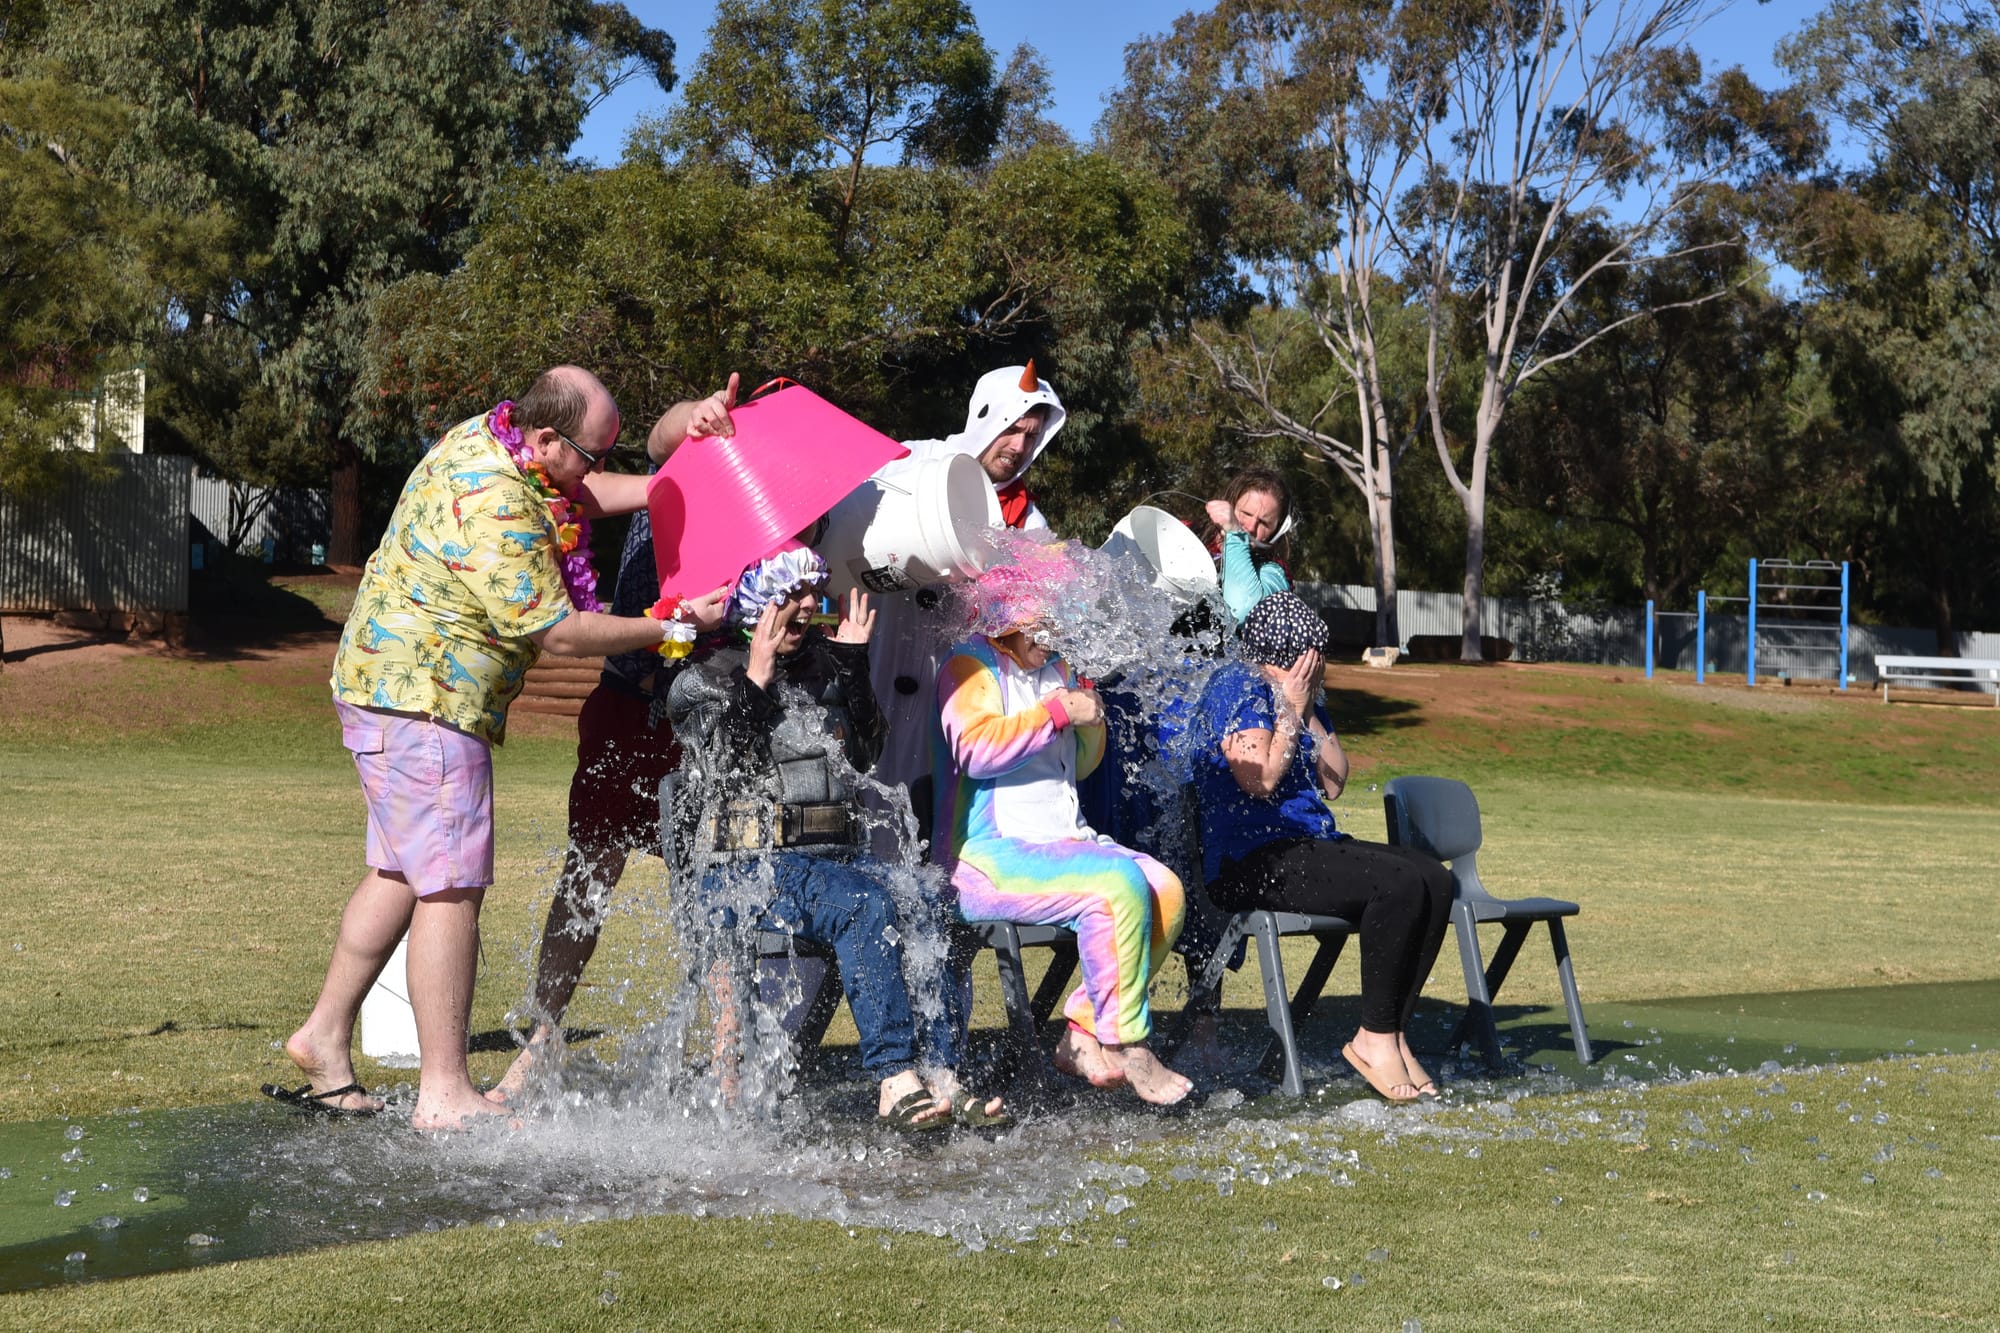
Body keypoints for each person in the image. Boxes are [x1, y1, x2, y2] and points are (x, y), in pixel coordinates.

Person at [275, 366, 735, 1130]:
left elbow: (578, 491)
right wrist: (671, 624)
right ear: (548, 437)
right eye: (592, 452)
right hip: (430, 703)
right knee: (450, 887)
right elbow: (557, 633)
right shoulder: (500, 504)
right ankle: (447, 1092)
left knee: (398, 869)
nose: (595, 466)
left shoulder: (492, 438)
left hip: (383, 688)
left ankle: (323, 1035)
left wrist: (661, 487)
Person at [668, 544, 1004, 1129]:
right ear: (752, 602)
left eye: (808, 594)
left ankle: (942, 1074)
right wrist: (756, 678)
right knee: (863, 905)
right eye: (788, 595)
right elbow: (724, 769)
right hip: (746, 868)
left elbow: (868, 756)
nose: (805, 607)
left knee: (932, 900)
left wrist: (852, 668)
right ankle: (894, 1077)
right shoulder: (701, 681)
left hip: (831, 862)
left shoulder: (828, 662)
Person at [489, 392, 743, 1104]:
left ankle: (726, 1062)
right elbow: (664, 437)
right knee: (587, 871)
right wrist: (693, 415)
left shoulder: (762, 519)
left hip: (707, 719)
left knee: (714, 882)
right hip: (626, 699)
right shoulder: (671, 471)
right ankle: (541, 1040)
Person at [932, 555, 1193, 1105]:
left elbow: (1082, 764)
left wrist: (1090, 721)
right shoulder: (968, 665)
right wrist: (1057, 712)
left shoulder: (1061, 670)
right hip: (986, 858)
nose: (1054, 637)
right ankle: (1130, 1044)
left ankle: (1082, 1030)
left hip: (1065, 844)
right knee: (1116, 884)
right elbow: (975, 750)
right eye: (1046, 624)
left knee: (1165, 891)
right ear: (1012, 613)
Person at [1189, 591, 1453, 1102]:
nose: (1320, 663)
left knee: (1435, 878)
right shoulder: (1236, 687)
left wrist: (1306, 709)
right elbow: (1259, 781)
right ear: (1288, 651)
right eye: (1312, 653)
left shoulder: (1301, 694)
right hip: (1248, 860)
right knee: (1395, 884)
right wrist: (1289, 708)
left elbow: (1334, 782)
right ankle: (1371, 1037)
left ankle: (1393, 1034)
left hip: (1303, 846)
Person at [867, 363, 1066, 794]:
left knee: (925, 804)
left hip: (955, 684)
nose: (1019, 445)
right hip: (879, 655)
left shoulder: (1029, 522)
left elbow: (1034, 624)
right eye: (1012, 428)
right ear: (986, 417)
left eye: (1031, 436)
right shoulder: (911, 461)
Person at [1202, 466, 1294, 624]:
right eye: (1246, 513)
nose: (1251, 527)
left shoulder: (1274, 573)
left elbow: (1240, 609)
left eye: (1264, 523)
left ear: (1276, 531)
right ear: (1230, 506)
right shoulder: (1190, 532)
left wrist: (1235, 534)